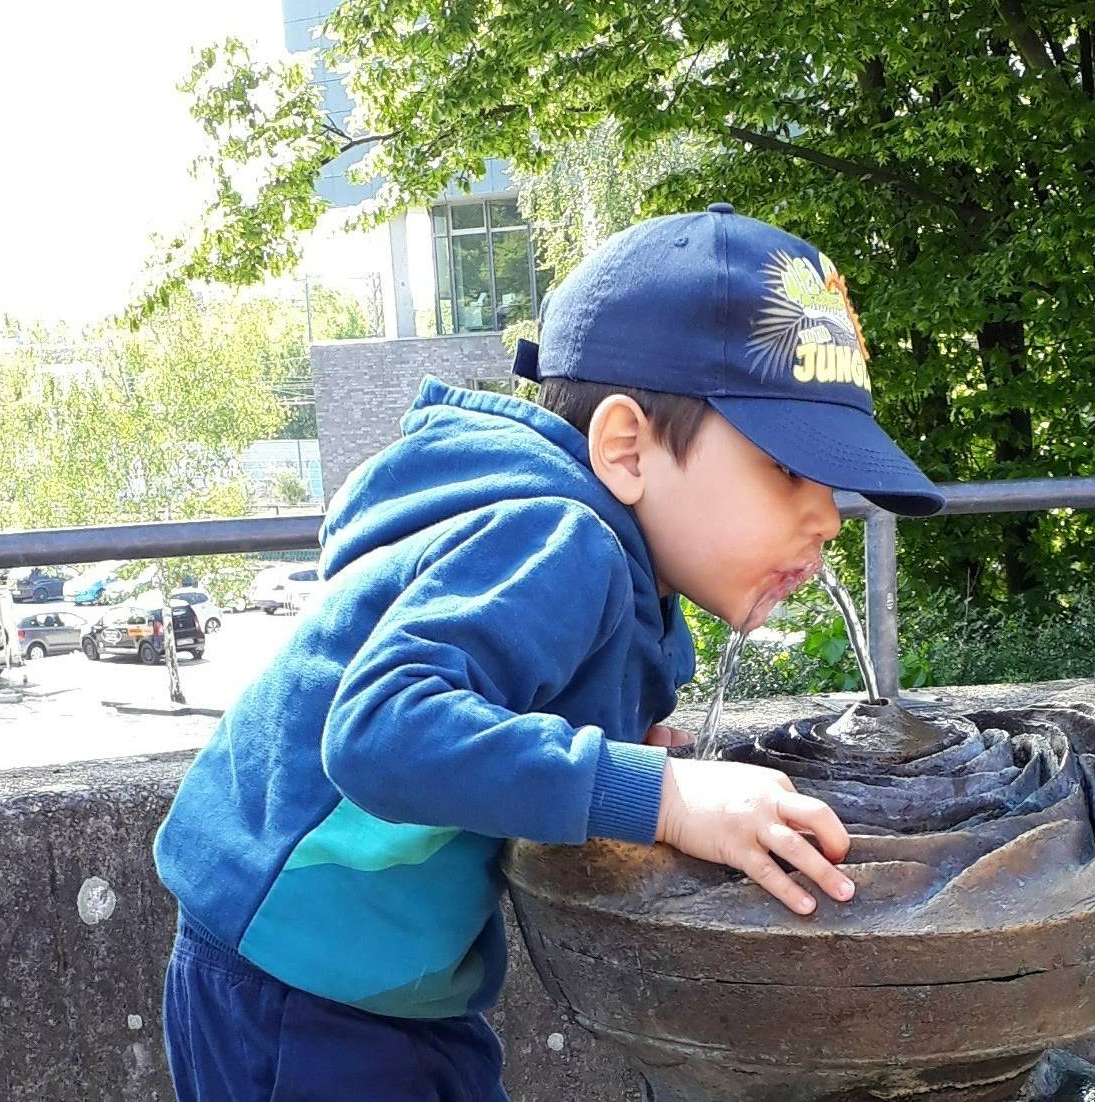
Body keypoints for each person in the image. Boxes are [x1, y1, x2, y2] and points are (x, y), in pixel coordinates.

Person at [152, 202, 944, 1101]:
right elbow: (380, 730)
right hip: (298, 1000)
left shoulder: (620, 568)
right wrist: (664, 796)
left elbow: (498, 709)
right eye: (788, 469)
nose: (827, 517)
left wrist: (617, 749)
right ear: (626, 450)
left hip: (384, 989)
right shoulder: (559, 537)